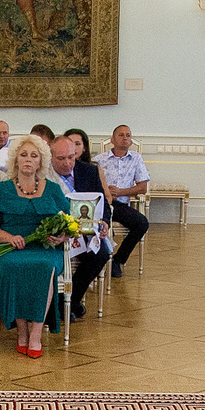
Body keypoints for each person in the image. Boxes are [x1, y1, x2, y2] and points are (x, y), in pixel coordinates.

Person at [0, 135, 70, 357]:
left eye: (34, 155)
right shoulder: (2, 190)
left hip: (45, 250)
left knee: (43, 266)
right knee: (13, 266)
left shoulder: (53, 190)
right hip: (10, 250)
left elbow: (69, 224)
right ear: (15, 160)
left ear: (41, 162)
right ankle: (21, 331)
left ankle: (36, 333)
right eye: (23, 155)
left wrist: (61, 237)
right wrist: (8, 237)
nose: (28, 159)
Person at [50, 133, 110, 317]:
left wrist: (104, 222)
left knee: (101, 255)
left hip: (85, 232)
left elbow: (103, 203)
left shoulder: (88, 171)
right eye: (61, 159)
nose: (67, 163)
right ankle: (63, 305)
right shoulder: (44, 176)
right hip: (57, 233)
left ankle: (69, 302)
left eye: (71, 157)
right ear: (51, 157)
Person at [97, 124, 152, 275]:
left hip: (121, 204)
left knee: (142, 223)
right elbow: (90, 185)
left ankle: (118, 260)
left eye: (128, 135)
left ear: (131, 141)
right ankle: (99, 260)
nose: (125, 138)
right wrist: (106, 191)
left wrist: (122, 191)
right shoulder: (99, 160)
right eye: (121, 135)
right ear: (112, 140)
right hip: (103, 203)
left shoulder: (136, 159)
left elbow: (142, 187)